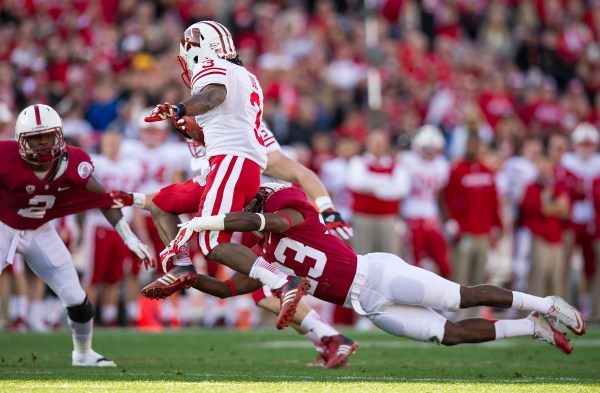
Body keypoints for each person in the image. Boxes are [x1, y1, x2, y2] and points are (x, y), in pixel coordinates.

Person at [176, 183, 586, 357]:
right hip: (368, 306)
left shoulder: (289, 205)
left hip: (378, 275)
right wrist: (193, 279)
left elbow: (272, 223)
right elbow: (232, 289)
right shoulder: (263, 250)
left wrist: (210, 223)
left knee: (461, 297)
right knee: (449, 335)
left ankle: (546, 303)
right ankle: (533, 327)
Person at [113, 119, 356, 367]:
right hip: (249, 218)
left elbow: (299, 172)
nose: (194, 138)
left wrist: (328, 210)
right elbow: (186, 193)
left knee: (261, 290)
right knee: (256, 292)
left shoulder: (245, 138)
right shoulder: (219, 144)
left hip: (271, 219)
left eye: (196, 129)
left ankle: (331, 337)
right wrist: (132, 198)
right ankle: (327, 339)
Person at [140, 22, 311, 323]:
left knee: (212, 244)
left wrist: (180, 109)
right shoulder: (245, 76)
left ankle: (284, 284)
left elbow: (211, 97)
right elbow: (225, 119)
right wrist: (196, 130)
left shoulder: (213, 67)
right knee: (161, 204)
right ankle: (183, 267)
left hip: (232, 162)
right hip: (228, 164)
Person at [0, 104, 153, 366]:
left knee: (76, 298)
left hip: (40, 230)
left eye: (47, 137)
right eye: (35, 139)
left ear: (59, 135)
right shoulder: (4, 155)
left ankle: (83, 354)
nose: (42, 145)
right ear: (20, 140)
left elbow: (103, 199)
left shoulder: (74, 163)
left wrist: (128, 236)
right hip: (4, 226)